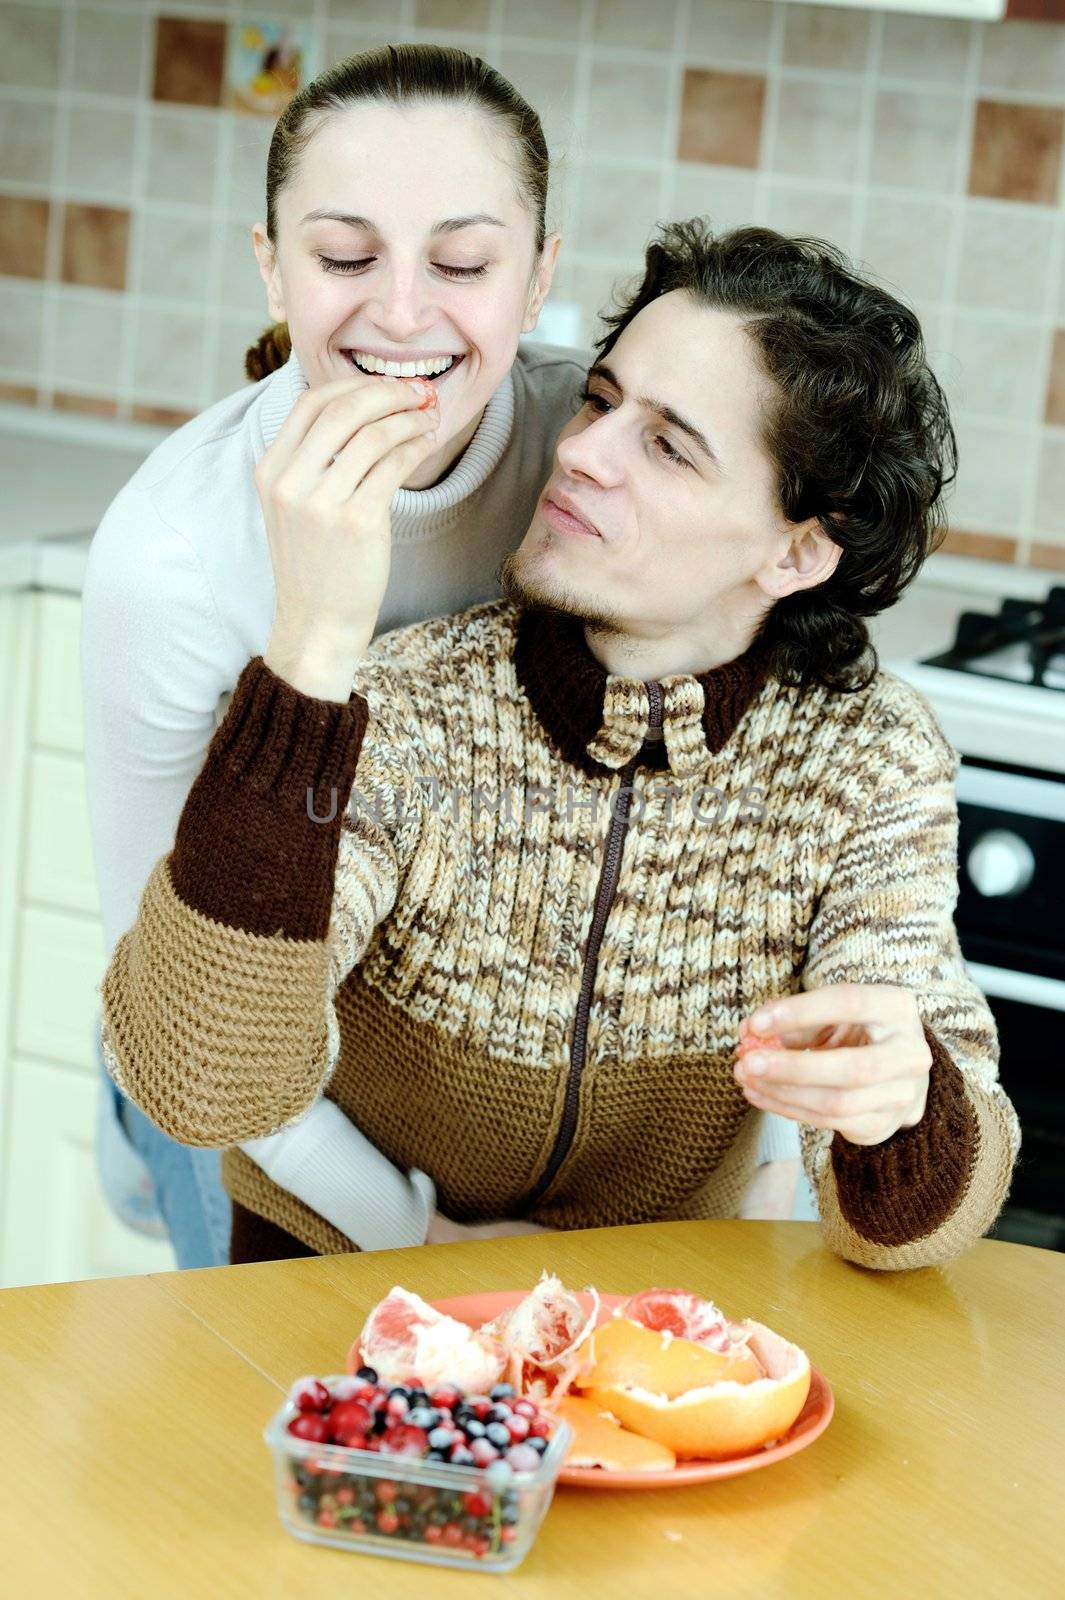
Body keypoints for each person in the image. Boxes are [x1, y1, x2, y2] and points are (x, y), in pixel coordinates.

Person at [99, 218, 1021, 1270]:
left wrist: (903, 1110)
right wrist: (309, 650)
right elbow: (200, 1080)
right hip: (327, 1292)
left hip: (636, 1341)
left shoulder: (867, 760)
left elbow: (911, 1233)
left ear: (798, 550)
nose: (579, 452)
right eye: (600, 400)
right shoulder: (404, 704)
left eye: (668, 445)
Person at [82, 45, 798, 1268]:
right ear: (271, 268)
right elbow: (175, 1000)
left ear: (539, 279)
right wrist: (423, 1236)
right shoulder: (171, 556)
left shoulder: (596, 461)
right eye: (345, 257)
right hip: (254, 1123)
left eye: (462, 263)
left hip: (532, 1158)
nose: (404, 312)